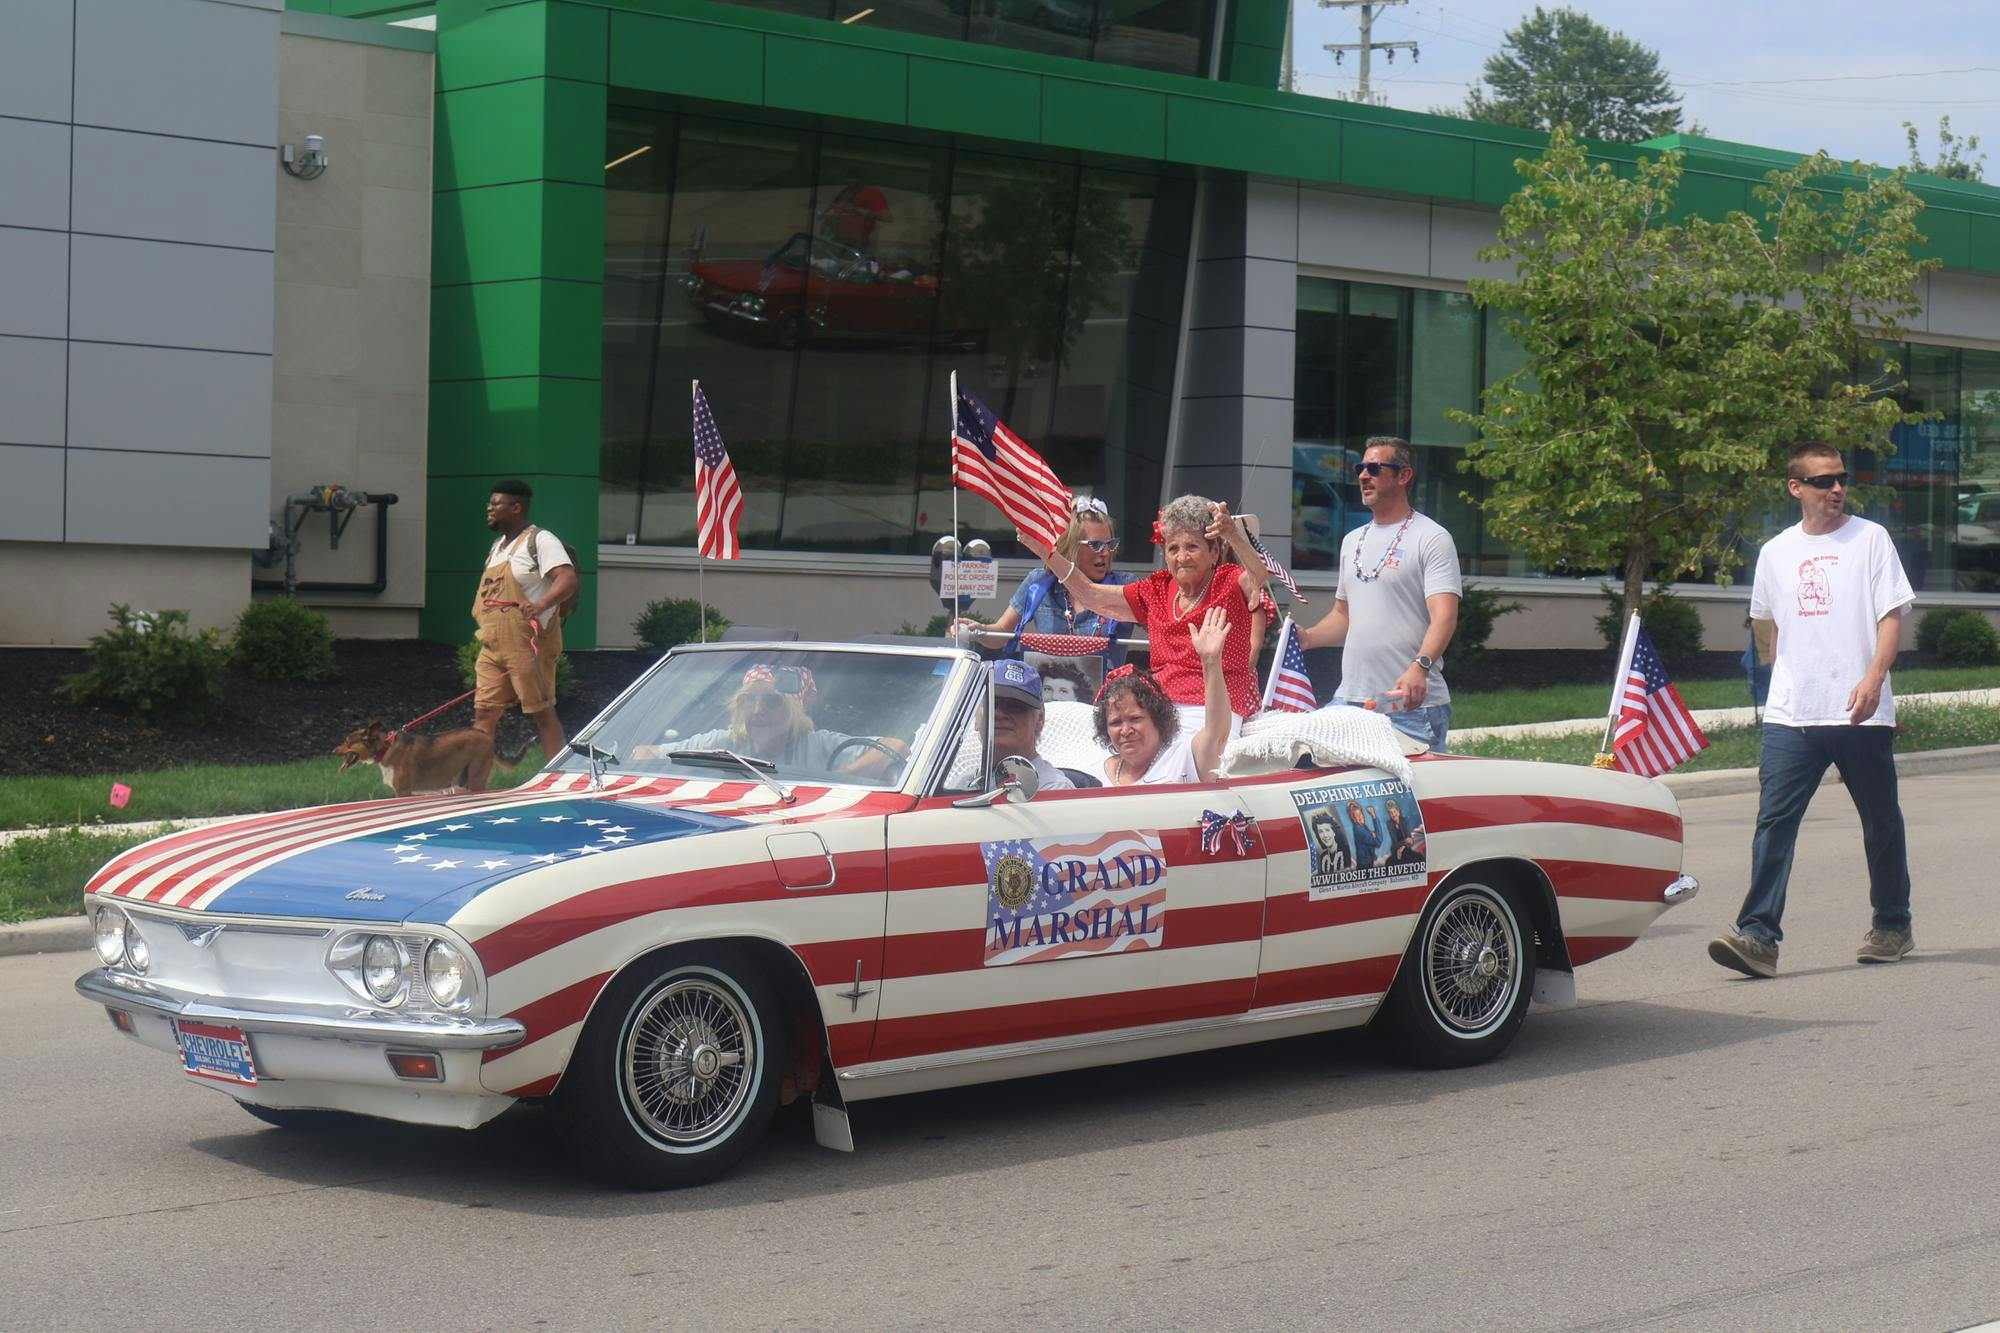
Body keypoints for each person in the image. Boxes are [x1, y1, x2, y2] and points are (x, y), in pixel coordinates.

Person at [1708, 444, 1918, 979]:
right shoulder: (1775, 551)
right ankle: (1758, 936)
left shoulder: (1870, 539)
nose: (1837, 489)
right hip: (1792, 714)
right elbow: (1765, 622)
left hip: (1858, 710)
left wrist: (1874, 679)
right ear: (1796, 488)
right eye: (1824, 481)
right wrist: (1775, 674)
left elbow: (1891, 617)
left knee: (1880, 822)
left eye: (1841, 480)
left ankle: (1892, 924)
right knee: (1774, 823)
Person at [1023, 494, 1272, 736]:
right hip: (1158, 708)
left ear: (1214, 552)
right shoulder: (1157, 588)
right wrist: (1048, 553)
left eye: (1192, 547)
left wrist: (1233, 535)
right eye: (1173, 548)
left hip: (1213, 709)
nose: (1182, 557)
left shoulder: (1229, 581)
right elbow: (1091, 595)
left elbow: (1258, 577)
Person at [1298, 437, 1462, 751]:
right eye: (1361, 468)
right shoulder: (1351, 541)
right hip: (1351, 699)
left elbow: (1445, 617)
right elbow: (1342, 615)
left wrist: (1419, 668)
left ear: (1403, 476)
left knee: (1415, 798)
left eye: (1374, 468)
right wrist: (1309, 638)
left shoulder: (1432, 538)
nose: (1362, 475)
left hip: (1405, 703)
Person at [952, 497, 1136, 670]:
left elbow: (1162, 626)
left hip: (1107, 701)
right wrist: (977, 630)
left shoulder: (1125, 586)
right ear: (1069, 545)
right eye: (1095, 545)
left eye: (1110, 544)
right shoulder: (1038, 583)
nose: (1105, 553)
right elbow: (1001, 634)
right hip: (1048, 697)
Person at [472, 479, 576, 764]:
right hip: (492, 643)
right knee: (485, 711)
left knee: (541, 710)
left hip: (526, 643)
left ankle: (560, 777)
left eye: (496, 504)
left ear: (516, 508)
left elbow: (567, 578)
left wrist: (540, 604)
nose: (489, 509)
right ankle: (473, 785)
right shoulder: (497, 547)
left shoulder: (540, 540)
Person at [646, 665, 907, 778]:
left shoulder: (817, 744)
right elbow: (645, 753)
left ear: (795, 709)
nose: (758, 710)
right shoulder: (723, 741)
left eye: (772, 701)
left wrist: (842, 777)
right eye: (749, 699)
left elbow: (896, 746)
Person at [1094, 608, 1234, 786]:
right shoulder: (1095, 774)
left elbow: (1217, 733)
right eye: (1115, 723)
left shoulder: (1183, 759)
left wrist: (1211, 662)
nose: (1126, 730)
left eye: (1135, 719)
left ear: (1158, 720)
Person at [986, 660, 1075, 792]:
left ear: (1040, 718)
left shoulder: (1054, 789)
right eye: (992, 704)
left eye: (1014, 706)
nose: (999, 714)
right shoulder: (963, 783)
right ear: (977, 716)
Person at [1308, 811, 1352, 876]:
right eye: (1320, 832)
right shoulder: (1323, 856)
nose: (1325, 835)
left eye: (1327, 830)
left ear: (1334, 832)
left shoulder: (1347, 850)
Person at [1346, 800, 1384, 869]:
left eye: (1360, 813)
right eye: (1357, 815)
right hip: (1365, 864)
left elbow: (1371, 837)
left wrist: (1372, 834)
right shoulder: (1360, 830)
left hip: (1366, 860)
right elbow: (1378, 842)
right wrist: (1374, 816)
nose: (1361, 816)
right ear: (1354, 819)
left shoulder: (1360, 826)